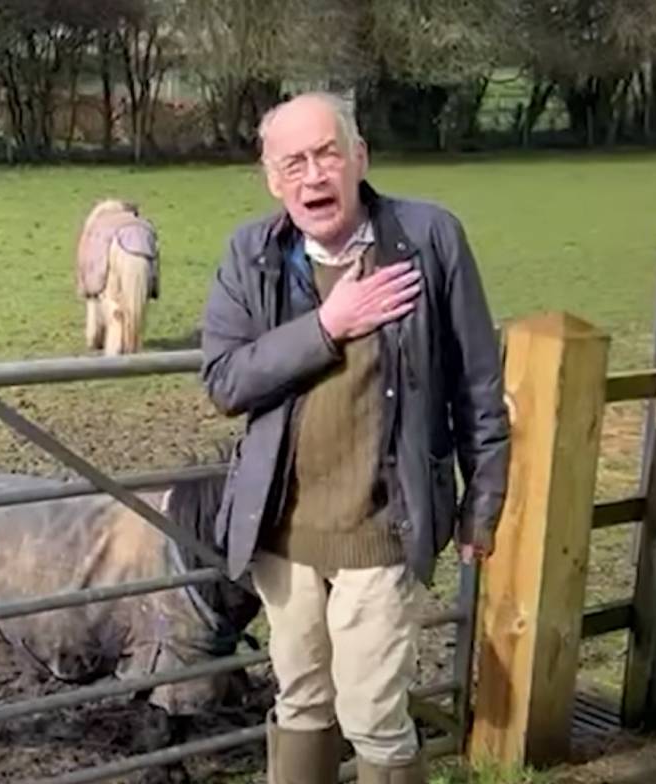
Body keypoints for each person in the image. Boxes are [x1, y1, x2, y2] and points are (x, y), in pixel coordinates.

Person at [197, 92, 511, 784]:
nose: (314, 175)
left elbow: (478, 381)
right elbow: (223, 379)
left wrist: (482, 501)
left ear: (359, 158)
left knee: (374, 715)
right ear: (273, 179)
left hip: (383, 526)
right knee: (302, 702)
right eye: (294, 163)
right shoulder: (251, 254)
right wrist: (328, 325)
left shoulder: (430, 239)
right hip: (282, 535)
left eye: (327, 154)